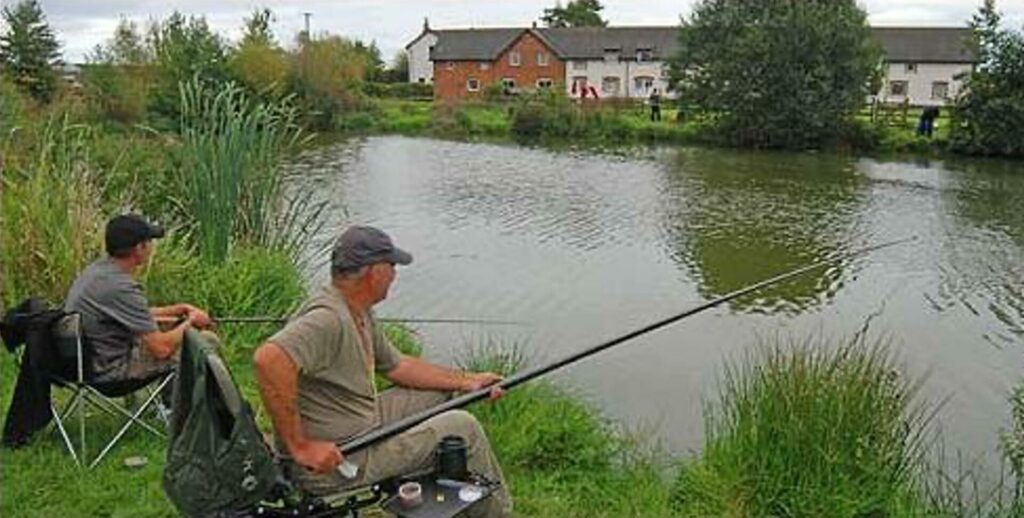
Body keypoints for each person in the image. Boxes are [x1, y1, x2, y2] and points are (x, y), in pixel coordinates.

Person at [253, 226, 512, 517]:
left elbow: (398, 366)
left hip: (362, 424)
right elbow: (269, 359)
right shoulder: (328, 319)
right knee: (463, 427)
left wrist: (468, 381)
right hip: (341, 461)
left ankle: (441, 501)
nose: (395, 274)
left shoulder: (357, 309)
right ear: (373, 272)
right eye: (392, 266)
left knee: (447, 393)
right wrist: (300, 447)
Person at [64, 214, 214, 384]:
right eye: (149, 242)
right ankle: (195, 408)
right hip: (110, 371)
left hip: (82, 363)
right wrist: (192, 323)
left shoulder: (96, 272)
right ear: (139, 248)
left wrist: (178, 310)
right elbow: (161, 349)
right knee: (206, 341)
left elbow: (134, 314)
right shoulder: (121, 286)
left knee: (170, 336)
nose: (152, 247)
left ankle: (168, 406)